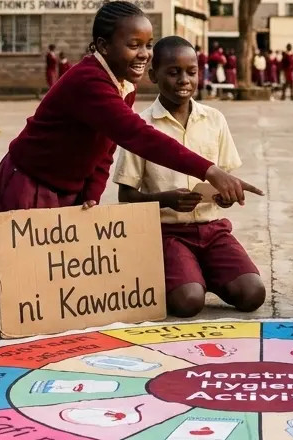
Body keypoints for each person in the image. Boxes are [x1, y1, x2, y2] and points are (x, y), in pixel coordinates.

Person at [0, 1, 262, 316]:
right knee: (8, 296)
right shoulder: (90, 80)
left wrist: (92, 193)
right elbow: (136, 135)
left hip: (68, 188)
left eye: (148, 45)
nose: (143, 53)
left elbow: (107, 143)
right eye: (133, 45)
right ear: (102, 45)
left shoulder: (123, 81)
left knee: (52, 289)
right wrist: (209, 170)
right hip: (30, 180)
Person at [114, 36, 265, 318]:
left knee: (252, 294)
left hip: (213, 230)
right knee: (188, 302)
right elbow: (126, 196)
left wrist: (227, 197)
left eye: (191, 72)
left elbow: (225, 177)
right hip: (169, 233)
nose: (184, 80)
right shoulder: (139, 126)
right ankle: (183, 275)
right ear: (153, 75)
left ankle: (198, 271)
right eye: (173, 73)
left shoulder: (214, 119)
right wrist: (165, 199)